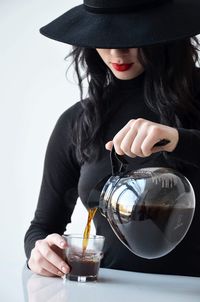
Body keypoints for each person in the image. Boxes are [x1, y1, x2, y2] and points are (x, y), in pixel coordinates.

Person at [24, 0, 200, 278]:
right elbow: (43, 227)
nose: (117, 52)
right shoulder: (79, 121)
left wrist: (179, 140)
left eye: (132, 37)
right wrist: (39, 252)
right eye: (105, 38)